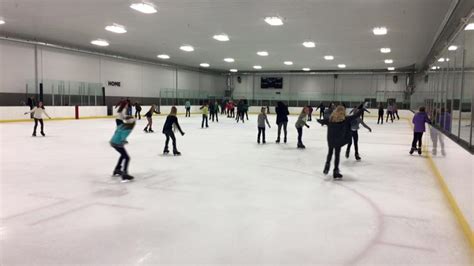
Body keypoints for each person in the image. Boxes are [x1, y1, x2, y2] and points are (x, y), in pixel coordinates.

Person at [317, 104, 363, 179]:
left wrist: (320, 121)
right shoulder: (345, 119)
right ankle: (336, 171)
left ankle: (327, 166)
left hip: (330, 139)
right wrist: (362, 109)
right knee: (337, 155)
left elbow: (322, 121)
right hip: (338, 140)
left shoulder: (330, 119)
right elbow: (356, 116)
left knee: (330, 152)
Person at [110, 115, 135, 181]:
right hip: (118, 143)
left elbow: (116, 131)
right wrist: (124, 140)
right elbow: (122, 135)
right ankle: (125, 173)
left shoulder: (122, 125)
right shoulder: (128, 128)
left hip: (113, 141)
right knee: (127, 157)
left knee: (123, 155)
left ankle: (117, 169)